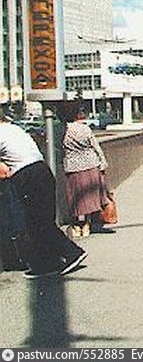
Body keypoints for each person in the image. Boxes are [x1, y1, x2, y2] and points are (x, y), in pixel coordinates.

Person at [0, 112, 87, 279]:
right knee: (40, 220)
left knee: (37, 222)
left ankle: (72, 253)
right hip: (42, 169)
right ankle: (48, 264)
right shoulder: (13, 128)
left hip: (27, 176)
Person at [60, 101, 113, 239]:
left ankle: (77, 224)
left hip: (73, 167)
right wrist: (103, 164)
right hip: (91, 164)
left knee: (75, 196)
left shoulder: (61, 129)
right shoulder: (85, 128)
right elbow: (96, 147)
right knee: (89, 197)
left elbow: (59, 148)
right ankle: (87, 224)